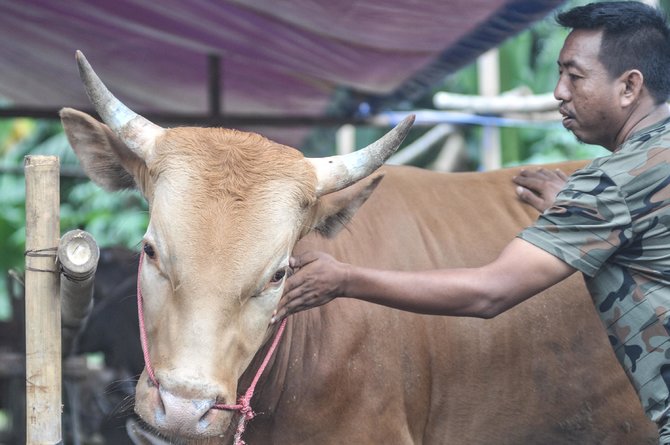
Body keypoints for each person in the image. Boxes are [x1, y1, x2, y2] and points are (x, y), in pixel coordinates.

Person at [274, 2, 670, 442]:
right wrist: (577, 210)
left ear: (630, 86)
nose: (559, 91)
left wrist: (343, 280)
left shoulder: (610, 187)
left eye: (574, 76)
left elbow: (490, 293)